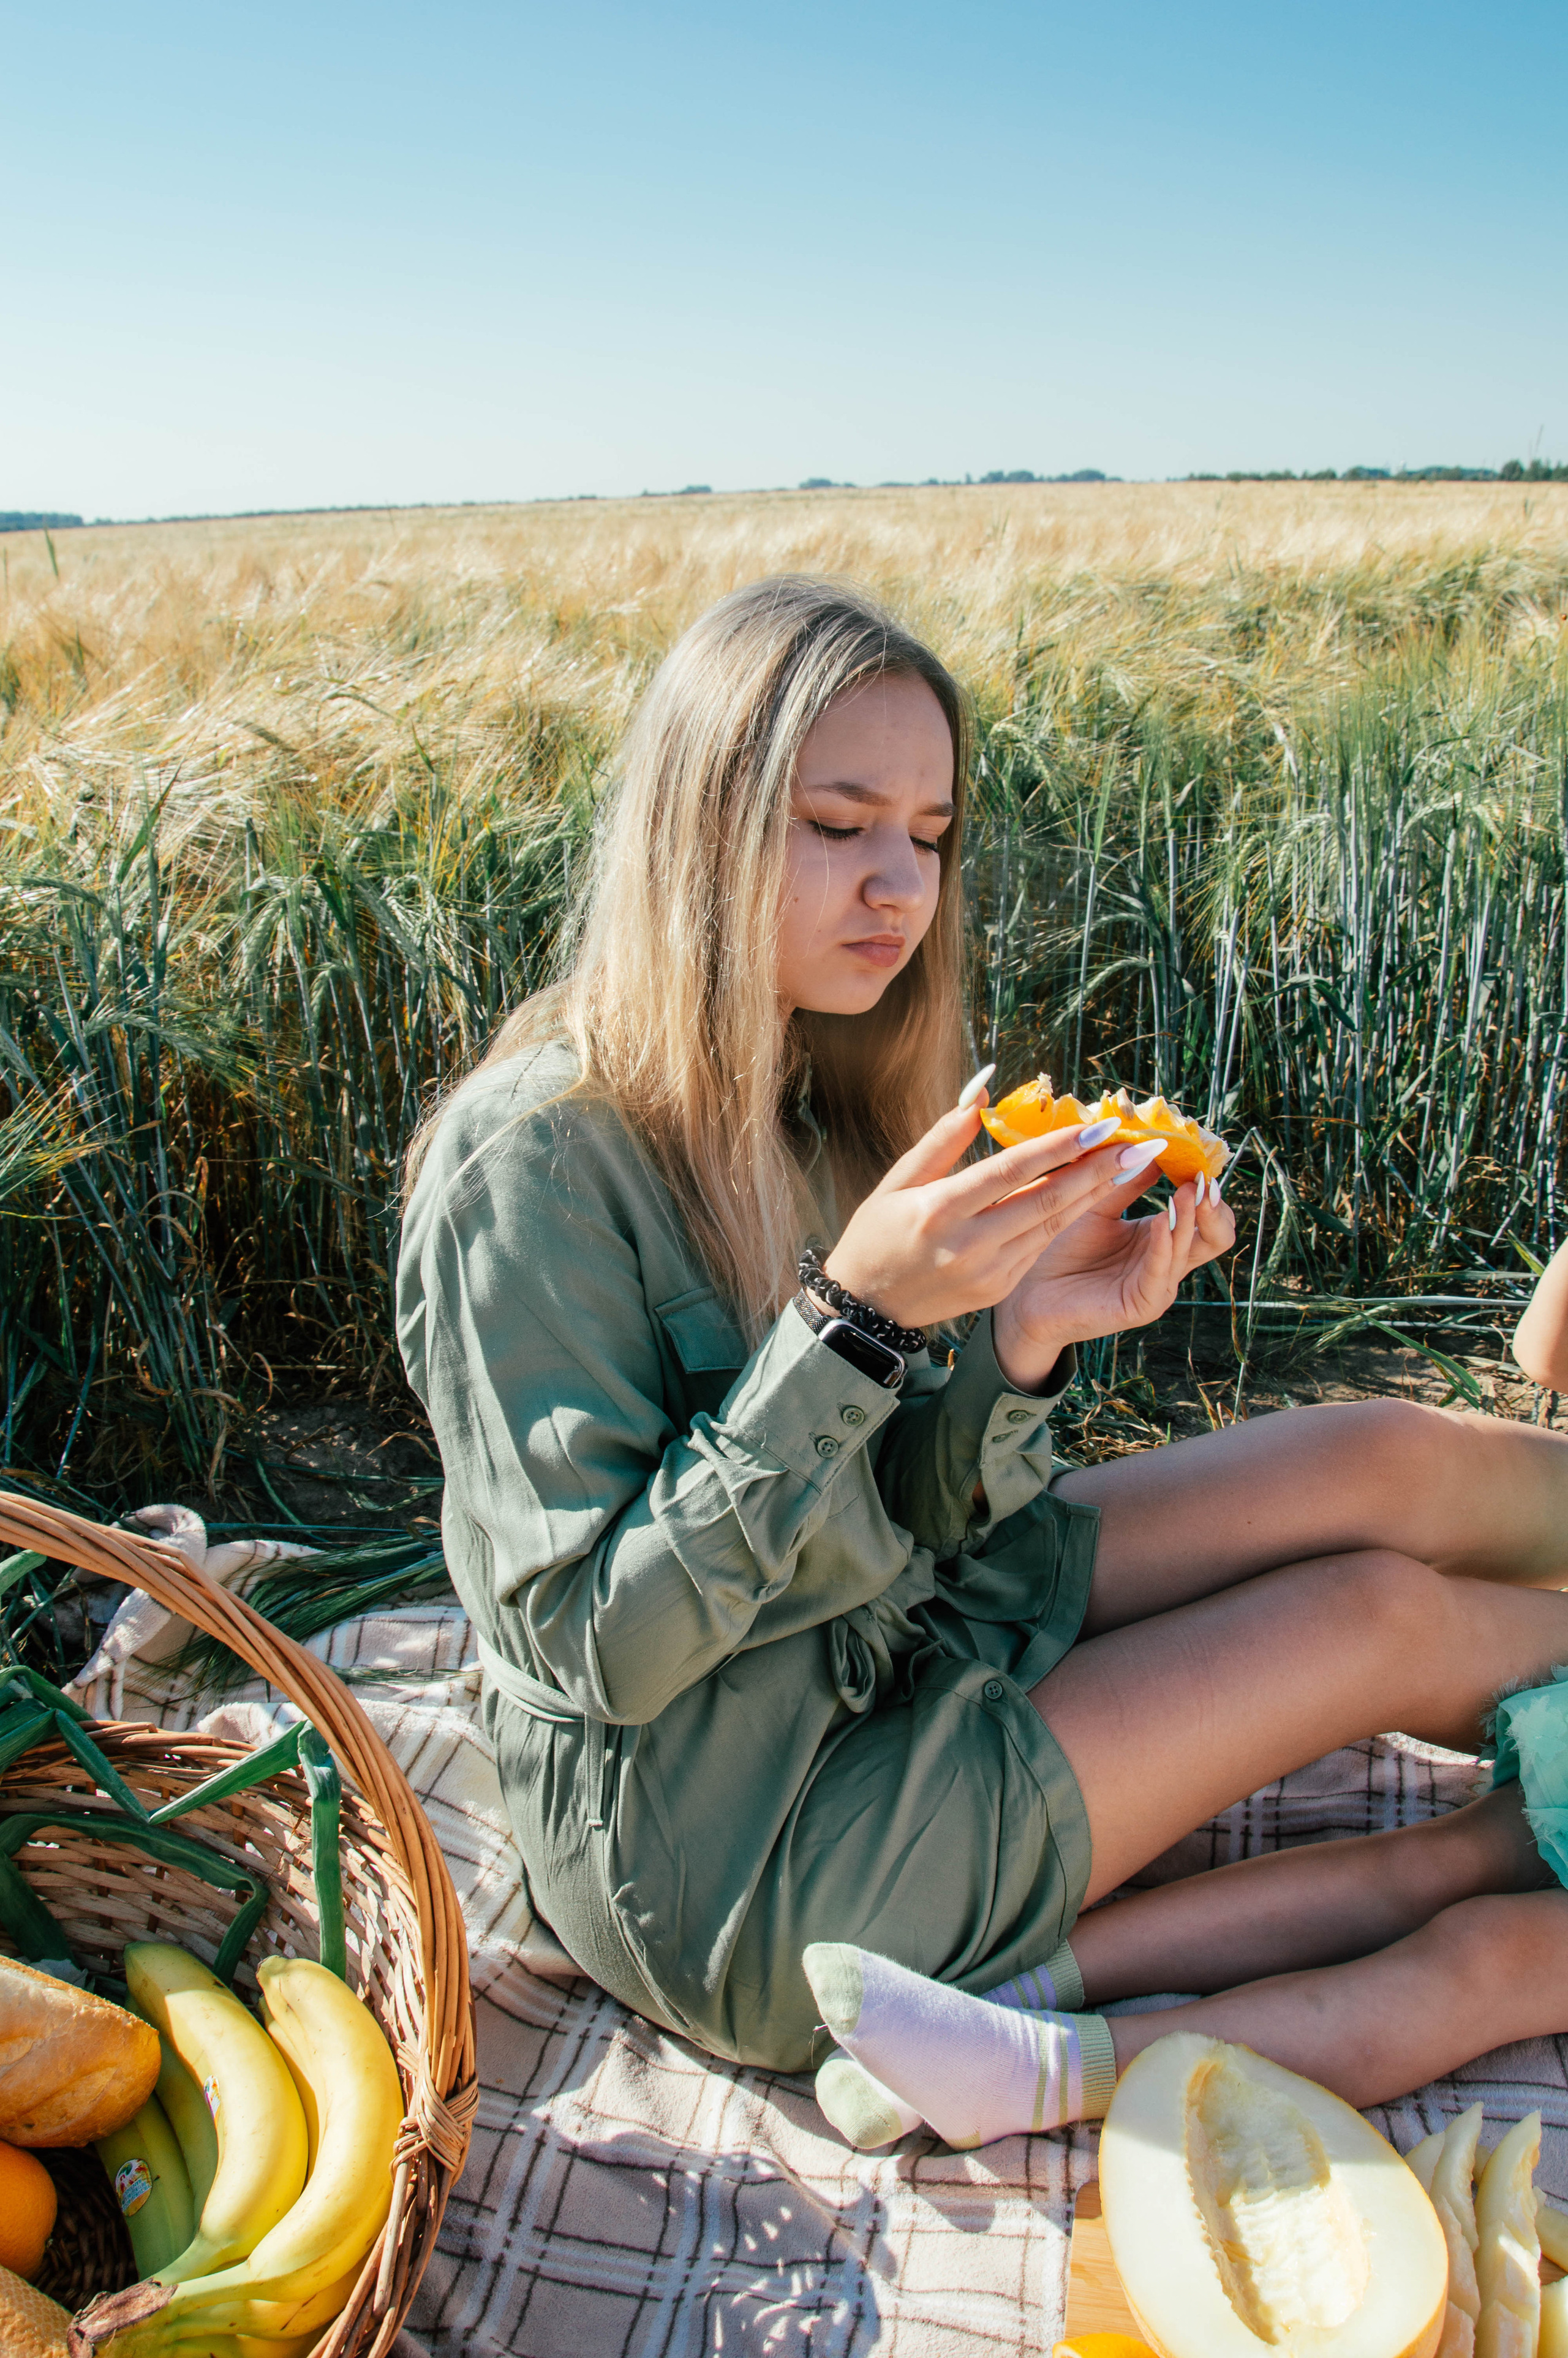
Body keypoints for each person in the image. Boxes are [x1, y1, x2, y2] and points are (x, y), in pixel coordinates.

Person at [398, 575, 1568, 2156]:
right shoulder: (531, 1164)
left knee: (1391, 1460)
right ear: (700, 825)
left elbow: (921, 1516)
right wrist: (853, 1324)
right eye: (840, 825)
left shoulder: (822, 1080)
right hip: (745, 1851)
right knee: (1374, 1615)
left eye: (930, 837)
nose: (902, 888)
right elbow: (591, 1649)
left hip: (898, 1626)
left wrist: (1022, 1342)